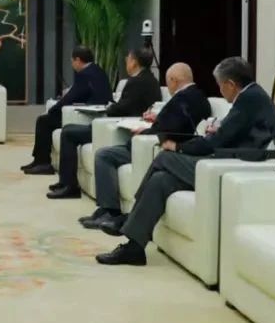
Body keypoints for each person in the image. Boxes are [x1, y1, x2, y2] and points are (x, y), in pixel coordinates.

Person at [95, 56, 275, 266]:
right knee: (160, 181)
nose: (220, 90)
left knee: (165, 157)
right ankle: (134, 248)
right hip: (225, 160)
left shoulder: (248, 100)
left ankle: (129, 218)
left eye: (220, 85)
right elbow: (231, 132)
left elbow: (214, 143)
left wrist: (179, 147)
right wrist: (218, 129)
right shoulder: (252, 96)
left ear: (230, 84)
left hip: (232, 166)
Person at [79, 63, 211, 229]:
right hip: (160, 143)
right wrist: (156, 120)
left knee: (104, 155)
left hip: (156, 147)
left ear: (174, 80)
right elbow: (175, 123)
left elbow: (170, 130)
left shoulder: (182, 99)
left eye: (168, 82)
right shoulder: (198, 96)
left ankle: (110, 211)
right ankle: (106, 210)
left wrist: (144, 132)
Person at [48, 48, 162, 199]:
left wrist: (110, 108)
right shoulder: (150, 80)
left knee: (68, 132)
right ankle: (65, 182)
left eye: (127, 58)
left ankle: (69, 185)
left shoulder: (137, 82)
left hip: (120, 128)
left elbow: (124, 108)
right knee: (69, 130)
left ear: (134, 62)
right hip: (119, 124)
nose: (126, 61)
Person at [22, 46, 112, 175]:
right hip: (94, 113)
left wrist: (53, 109)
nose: (72, 64)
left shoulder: (84, 74)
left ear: (78, 60)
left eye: (72, 61)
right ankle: (38, 161)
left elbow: (71, 97)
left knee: (44, 121)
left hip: (85, 116)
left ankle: (43, 163)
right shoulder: (98, 70)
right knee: (46, 120)